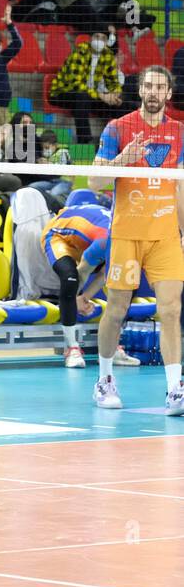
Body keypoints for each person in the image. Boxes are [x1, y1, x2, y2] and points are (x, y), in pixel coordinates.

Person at [88, 65, 184, 414]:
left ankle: (175, 388)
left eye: (160, 86)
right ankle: (105, 380)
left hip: (165, 237)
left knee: (171, 310)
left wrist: (182, 231)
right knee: (116, 310)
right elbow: (94, 184)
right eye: (148, 85)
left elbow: (180, 187)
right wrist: (122, 161)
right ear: (140, 90)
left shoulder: (181, 132)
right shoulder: (118, 128)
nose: (154, 92)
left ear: (169, 94)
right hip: (128, 234)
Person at [41, 202, 111, 368]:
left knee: (125, 283)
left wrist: (85, 297)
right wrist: (76, 298)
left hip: (84, 241)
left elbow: (106, 273)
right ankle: (72, 348)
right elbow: (83, 271)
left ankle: (112, 346)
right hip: (58, 235)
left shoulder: (135, 242)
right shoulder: (105, 240)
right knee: (70, 279)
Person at [50, 28, 123, 145]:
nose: (99, 41)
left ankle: (121, 142)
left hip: (88, 95)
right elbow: (76, 84)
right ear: (91, 38)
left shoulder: (107, 55)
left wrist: (114, 94)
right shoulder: (80, 52)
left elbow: (113, 82)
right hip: (63, 93)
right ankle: (84, 141)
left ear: (106, 42)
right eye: (96, 37)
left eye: (103, 38)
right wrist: (102, 96)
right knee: (82, 97)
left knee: (123, 104)